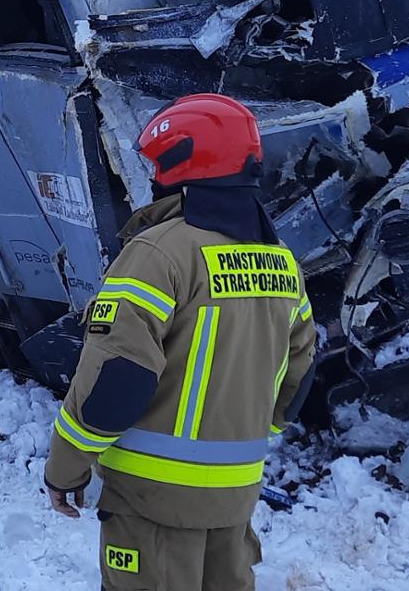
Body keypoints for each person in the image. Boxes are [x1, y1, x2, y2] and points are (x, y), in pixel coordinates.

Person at [43, 94, 318, 591]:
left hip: (152, 504)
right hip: (236, 499)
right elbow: (297, 380)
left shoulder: (158, 254)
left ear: (178, 164)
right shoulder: (283, 265)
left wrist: (65, 469)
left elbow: (115, 383)